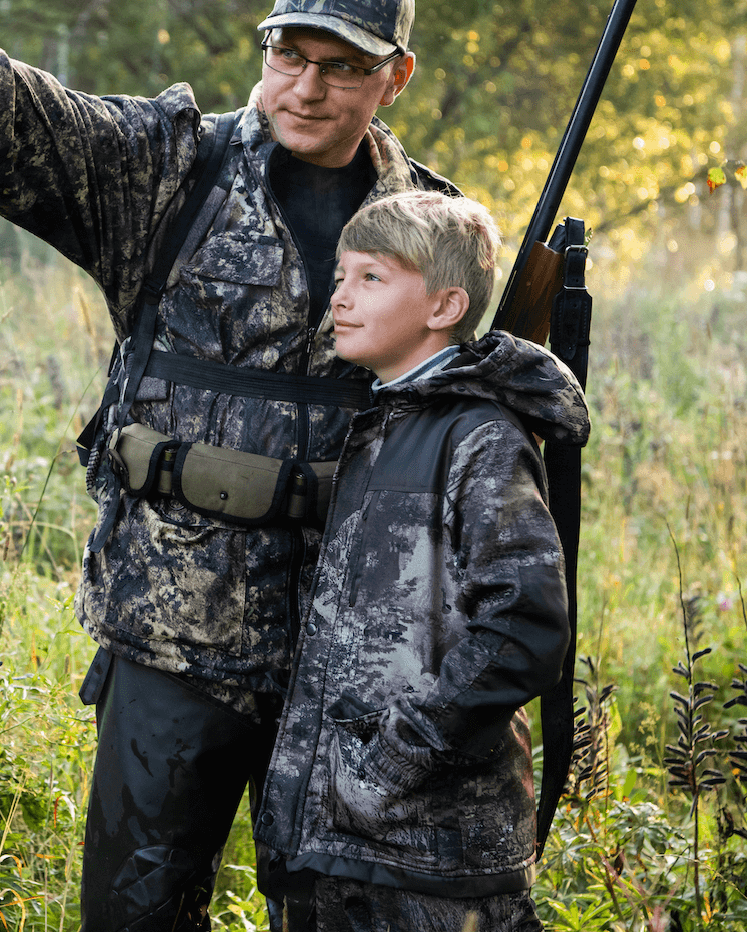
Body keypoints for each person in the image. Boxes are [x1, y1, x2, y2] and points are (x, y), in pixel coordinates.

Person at [0, 0, 457, 929]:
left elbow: (479, 427)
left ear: (395, 76)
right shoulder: (173, 170)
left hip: (355, 659)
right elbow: (26, 111)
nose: (306, 85)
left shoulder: (433, 229)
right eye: (288, 54)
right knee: (136, 915)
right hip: (174, 641)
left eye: (341, 65)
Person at [252, 191, 590, 930]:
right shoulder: (374, 424)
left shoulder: (480, 440)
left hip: (428, 859)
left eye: (371, 277)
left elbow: (524, 629)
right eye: (341, 276)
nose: (340, 296)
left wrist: (390, 765)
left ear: (444, 306)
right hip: (335, 849)